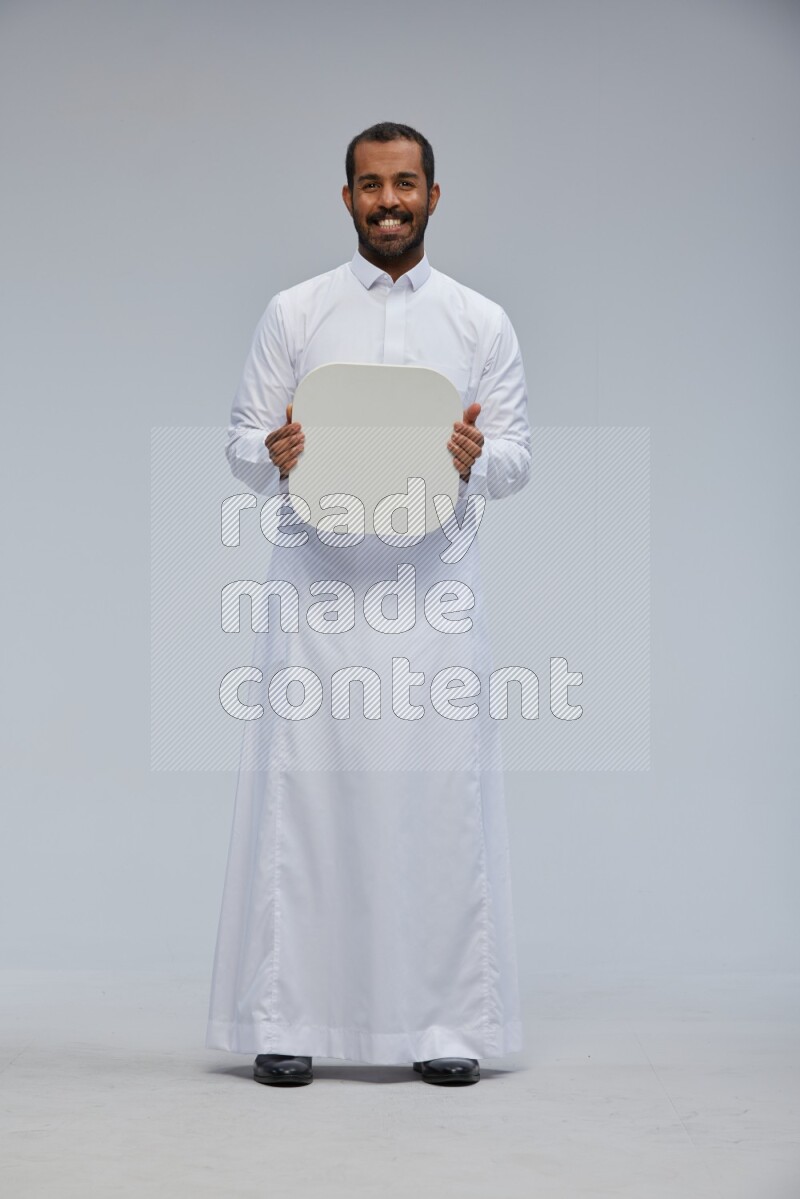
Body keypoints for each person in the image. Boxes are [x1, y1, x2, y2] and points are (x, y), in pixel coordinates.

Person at [206, 122, 531, 1087]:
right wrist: (274, 452)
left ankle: (442, 1025)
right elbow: (238, 440)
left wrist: (479, 463)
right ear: (344, 197)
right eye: (369, 186)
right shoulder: (295, 312)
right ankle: (289, 1015)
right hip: (318, 590)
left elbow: (516, 457)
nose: (388, 202)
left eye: (405, 185)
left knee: (437, 798)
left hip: (434, 594)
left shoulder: (482, 322)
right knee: (308, 793)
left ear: (435, 194)